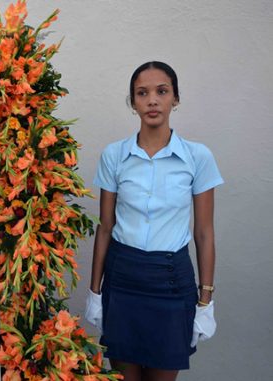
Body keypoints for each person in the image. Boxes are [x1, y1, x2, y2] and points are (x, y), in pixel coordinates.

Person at [85, 61, 223, 381]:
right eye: (142, 93)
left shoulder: (197, 157)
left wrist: (206, 301)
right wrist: (95, 292)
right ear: (133, 103)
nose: (152, 100)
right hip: (122, 279)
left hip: (171, 282)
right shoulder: (114, 155)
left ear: (175, 98)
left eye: (161, 91)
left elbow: (204, 233)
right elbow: (105, 227)